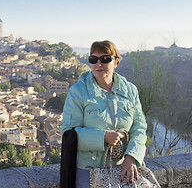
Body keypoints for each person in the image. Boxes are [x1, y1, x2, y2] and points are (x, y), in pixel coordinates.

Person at [61, 40, 147, 188]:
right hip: (88, 170)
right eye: (93, 60)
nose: (98, 64)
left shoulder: (130, 91)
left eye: (105, 59)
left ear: (116, 62)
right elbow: (68, 133)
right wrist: (103, 137)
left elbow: (139, 128)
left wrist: (132, 157)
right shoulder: (78, 92)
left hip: (122, 167)